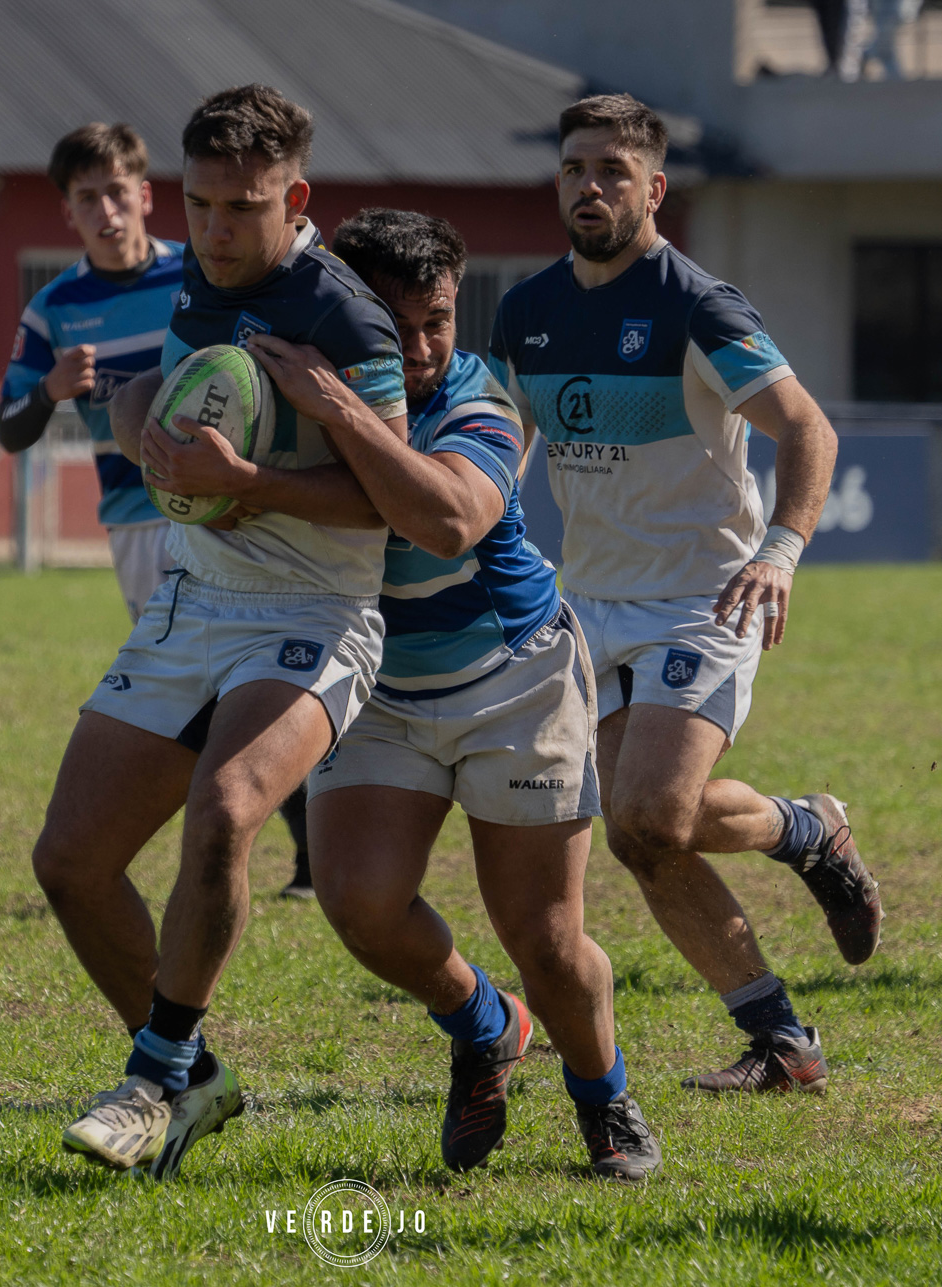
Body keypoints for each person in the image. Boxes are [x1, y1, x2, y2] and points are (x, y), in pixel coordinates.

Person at [38, 85, 406, 1180]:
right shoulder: (200, 278)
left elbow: (394, 500)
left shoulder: (347, 317)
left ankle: (151, 1080)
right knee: (70, 861)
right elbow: (165, 396)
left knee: (230, 807)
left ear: (296, 197)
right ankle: (193, 1073)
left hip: (316, 611)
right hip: (196, 596)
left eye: (242, 208)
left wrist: (253, 483)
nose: (213, 230)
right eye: (198, 204)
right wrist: (141, 428)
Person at [487, 94, 882, 1095]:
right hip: (589, 604)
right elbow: (499, 451)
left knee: (651, 820)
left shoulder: (697, 305)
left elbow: (808, 428)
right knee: (642, 835)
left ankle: (803, 833)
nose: (589, 187)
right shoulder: (526, 312)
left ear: (654, 189)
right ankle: (784, 1033)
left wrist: (781, 550)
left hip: (703, 599)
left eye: (612, 171)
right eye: (574, 168)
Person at [288, 207, 659, 1181]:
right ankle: (485, 1023)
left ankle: (604, 1098)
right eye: (394, 328)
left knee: (547, 939)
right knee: (360, 903)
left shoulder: (479, 399)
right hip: (381, 686)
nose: (420, 350)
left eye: (438, 322)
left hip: (515, 679)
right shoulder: (298, 389)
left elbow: (449, 521)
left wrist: (336, 417)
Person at [0, 122, 314, 897]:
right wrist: (49, 390)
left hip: (240, 504)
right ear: (68, 212)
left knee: (258, 672)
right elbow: (9, 427)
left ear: (143, 195)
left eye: (116, 192)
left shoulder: (199, 272)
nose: (105, 211)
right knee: (203, 682)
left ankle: (305, 855)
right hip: (141, 521)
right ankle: (240, 838)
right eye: (86, 198)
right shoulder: (54, 309)